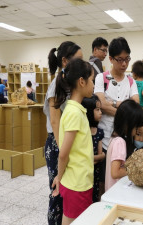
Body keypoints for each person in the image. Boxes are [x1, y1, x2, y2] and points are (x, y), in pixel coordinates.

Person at [44, 41, 82, 225]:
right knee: (57, 191)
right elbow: (54, 120)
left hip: (65, 142)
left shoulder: (69, 84)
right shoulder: (56, 85)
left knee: (67, 189)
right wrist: (62, 150)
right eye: (79, 60)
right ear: (65, 61)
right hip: (56, 144)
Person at [51, 58, 94, 225]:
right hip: (77, 183)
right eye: (91, 80)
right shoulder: (74, 113)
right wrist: (59, 179)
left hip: (80, 181)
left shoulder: (75, 110)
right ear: (82, 81)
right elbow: (63, 154)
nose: (93, 85)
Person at [94, 37, 139, 193]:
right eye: (120, 60)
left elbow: (136, 106)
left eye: (127, 59)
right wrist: (123, 106)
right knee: (102, 183)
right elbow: (101, 105)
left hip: (124, 142)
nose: (124, 64)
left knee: (123, 183)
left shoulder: (131, 81)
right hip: (104, 141)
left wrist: (111, 103)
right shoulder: (102, 78)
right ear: (111, 59)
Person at [105, 99, 143, 191]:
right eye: (136, 126)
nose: (137, 130)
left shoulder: (114, 138)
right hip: (116, 192)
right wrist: (136, 170)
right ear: (127, 124)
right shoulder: (120, 142)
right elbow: (115, 172)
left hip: (112, 191)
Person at [82, 95, 105, 202]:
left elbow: (101, 156)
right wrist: (96, 158)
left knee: (94, 197)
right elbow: (99, 156)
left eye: (100, 109)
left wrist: (91, 158)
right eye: (97, 109)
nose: (100, 112)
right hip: (83, 174)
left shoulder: (99, 132)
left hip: (95, 174)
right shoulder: (81, 131)